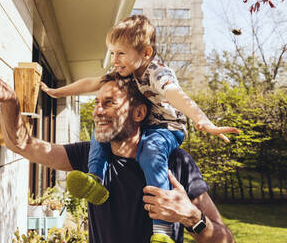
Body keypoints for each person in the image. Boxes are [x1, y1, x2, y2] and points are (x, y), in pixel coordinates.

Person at [0, 53, 234, 243]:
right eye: (96, 102)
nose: (96, 111)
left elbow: (226, 240)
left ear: (139, 112)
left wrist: (192, 218)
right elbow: (23, 144)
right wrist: (10, 101)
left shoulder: (177, 162)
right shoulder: (90, 156)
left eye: (109, 103)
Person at [41, 15, 238, 242]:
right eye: (112, 53)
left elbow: (176, 94)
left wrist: (202, 119)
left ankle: (162, 231)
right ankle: (95, 180)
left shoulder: (157, 73)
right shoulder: (123, 73)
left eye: (121, 53)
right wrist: (57, 92)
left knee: (151, 152)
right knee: (100, 135)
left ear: (146, 53)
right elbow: (90, 83)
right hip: (147, 126)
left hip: (166, 129)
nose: (114, 60)